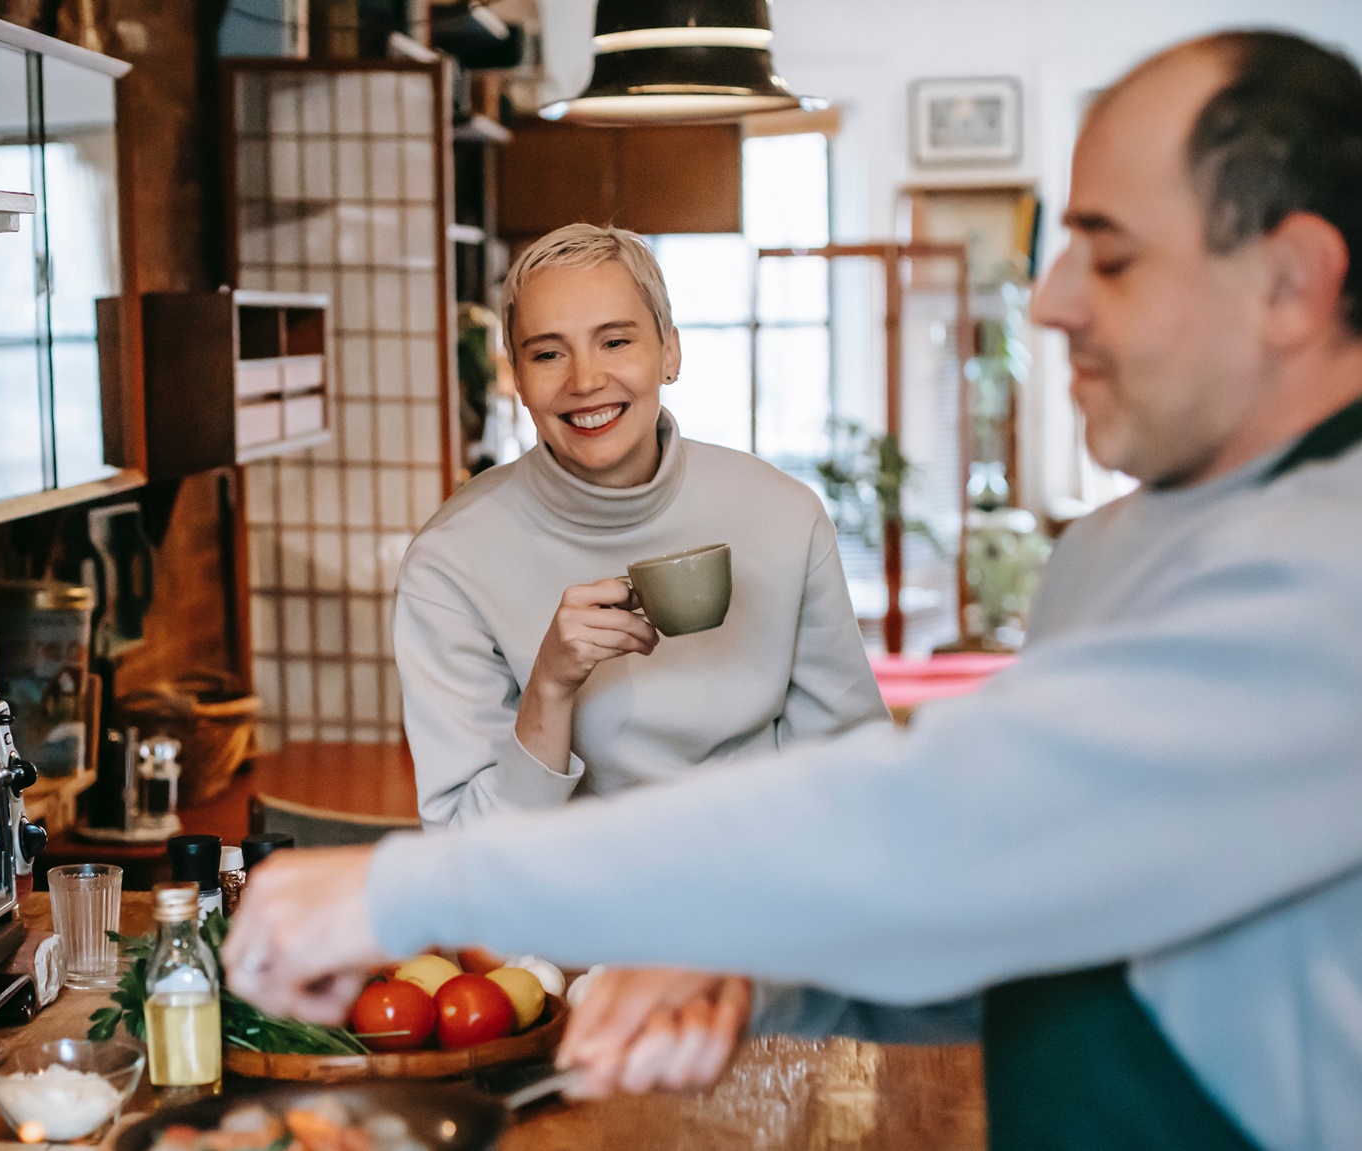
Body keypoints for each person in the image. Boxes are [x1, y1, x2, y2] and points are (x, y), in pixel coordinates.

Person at [225, 29, 1362, 1150]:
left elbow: (954, 817)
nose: (1051, 300)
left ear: (1293, 282)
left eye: (1109, 254)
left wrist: (409, 889)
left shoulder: (1333, 577)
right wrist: (748, 963)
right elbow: (1034, 929)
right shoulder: (1117, 548)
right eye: (547, 350)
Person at [396, 224, 886, 827]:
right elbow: (461, 849)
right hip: (572, 911)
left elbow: (852, 769)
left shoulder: (784, 515)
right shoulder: (451, 562)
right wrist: (549, 685)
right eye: (548, 354)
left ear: (670, 351)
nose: (585, 381)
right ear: (518, 380)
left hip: (760, 896)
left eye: (615, 342)